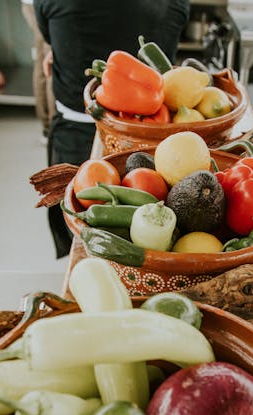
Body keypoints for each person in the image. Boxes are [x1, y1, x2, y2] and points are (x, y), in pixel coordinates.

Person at [33, 0, 191, 259]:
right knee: (156, 240)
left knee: (80, 240)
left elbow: (53, 30)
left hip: (77, 134)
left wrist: (65, 47)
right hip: (158, 137)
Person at [20, 0, 56, 142]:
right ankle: (52, 127)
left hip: (32, 4)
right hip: (45, 5)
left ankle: (47, 127)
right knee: (51, 62)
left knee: (43, 61)